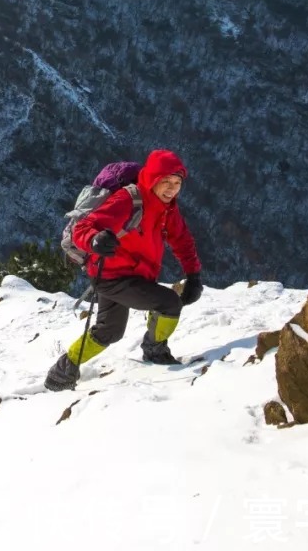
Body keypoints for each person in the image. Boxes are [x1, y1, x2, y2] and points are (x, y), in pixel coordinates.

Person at [44, 149, 203, 391]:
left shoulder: (167, 208)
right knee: (169, 303)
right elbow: (84, 228)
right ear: (153, 179)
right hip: (113, 276)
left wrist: (193, 275)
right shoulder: (129, 200)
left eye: (177, 182)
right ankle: (155, 351)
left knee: (109, 331)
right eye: (166, 181)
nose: (172, 188)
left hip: (125, 274)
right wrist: (95, 239)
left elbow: (182, 240)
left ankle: (61, 373)